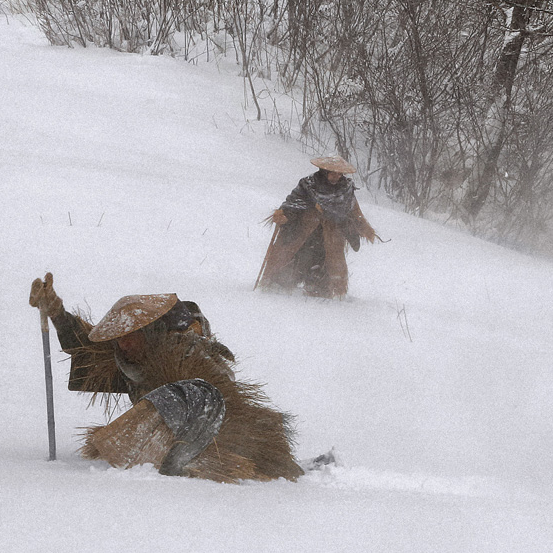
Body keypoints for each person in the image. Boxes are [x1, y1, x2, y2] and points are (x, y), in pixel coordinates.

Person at [29, 273, 304, 482]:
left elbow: (221, 404)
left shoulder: (185, 354)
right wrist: (55, 311)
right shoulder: (125, 355)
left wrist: (208, 454)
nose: (124, 344)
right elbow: (85, 347)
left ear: (149, 332)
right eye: (120, 338)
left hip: (207, 438)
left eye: (131, 336)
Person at [256, 156, 378, 298]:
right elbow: (293, 203)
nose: (336, 176)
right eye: (332, 173)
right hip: (305, 231)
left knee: (327, 264)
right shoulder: (308, 184)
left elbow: (353, 211)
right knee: (295, 259)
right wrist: (283, 214)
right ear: (323, 171)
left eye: (339, 174)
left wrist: (363, 227)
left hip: (330, 236)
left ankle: (320, 290)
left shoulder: (345, 189)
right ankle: (278, 286)